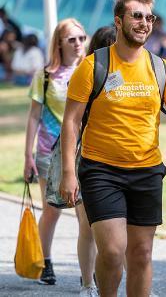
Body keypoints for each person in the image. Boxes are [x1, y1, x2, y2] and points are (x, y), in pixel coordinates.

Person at [59, 0, 166, 297]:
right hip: (101, 171)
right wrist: (69, 172)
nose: (144, 23)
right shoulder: (93, 66)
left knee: (141, 254)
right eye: (137, 16)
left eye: (149, 18)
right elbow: (71, 122)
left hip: (147, 171)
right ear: (119, 21)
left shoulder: (161, 68)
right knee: (111, 251)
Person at [23, 18, 86, 285]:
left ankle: (90, 270)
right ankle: (45, 262)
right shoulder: (45, 76)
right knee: (52, 210)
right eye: (71, 39)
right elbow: (34, 117)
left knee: (87, 214)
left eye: (82, 38)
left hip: (84, 153)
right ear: (59, 43)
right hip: (49, 152)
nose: (78, 44)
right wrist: (28, 156)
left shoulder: (91, 70)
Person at [75, 25, 117, 297]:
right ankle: (87, 284)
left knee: (120, 231)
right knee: (88, 225)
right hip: (90, 157)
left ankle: (113, 285)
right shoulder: (88, 73)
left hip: (124, 160)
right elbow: (74, 122)